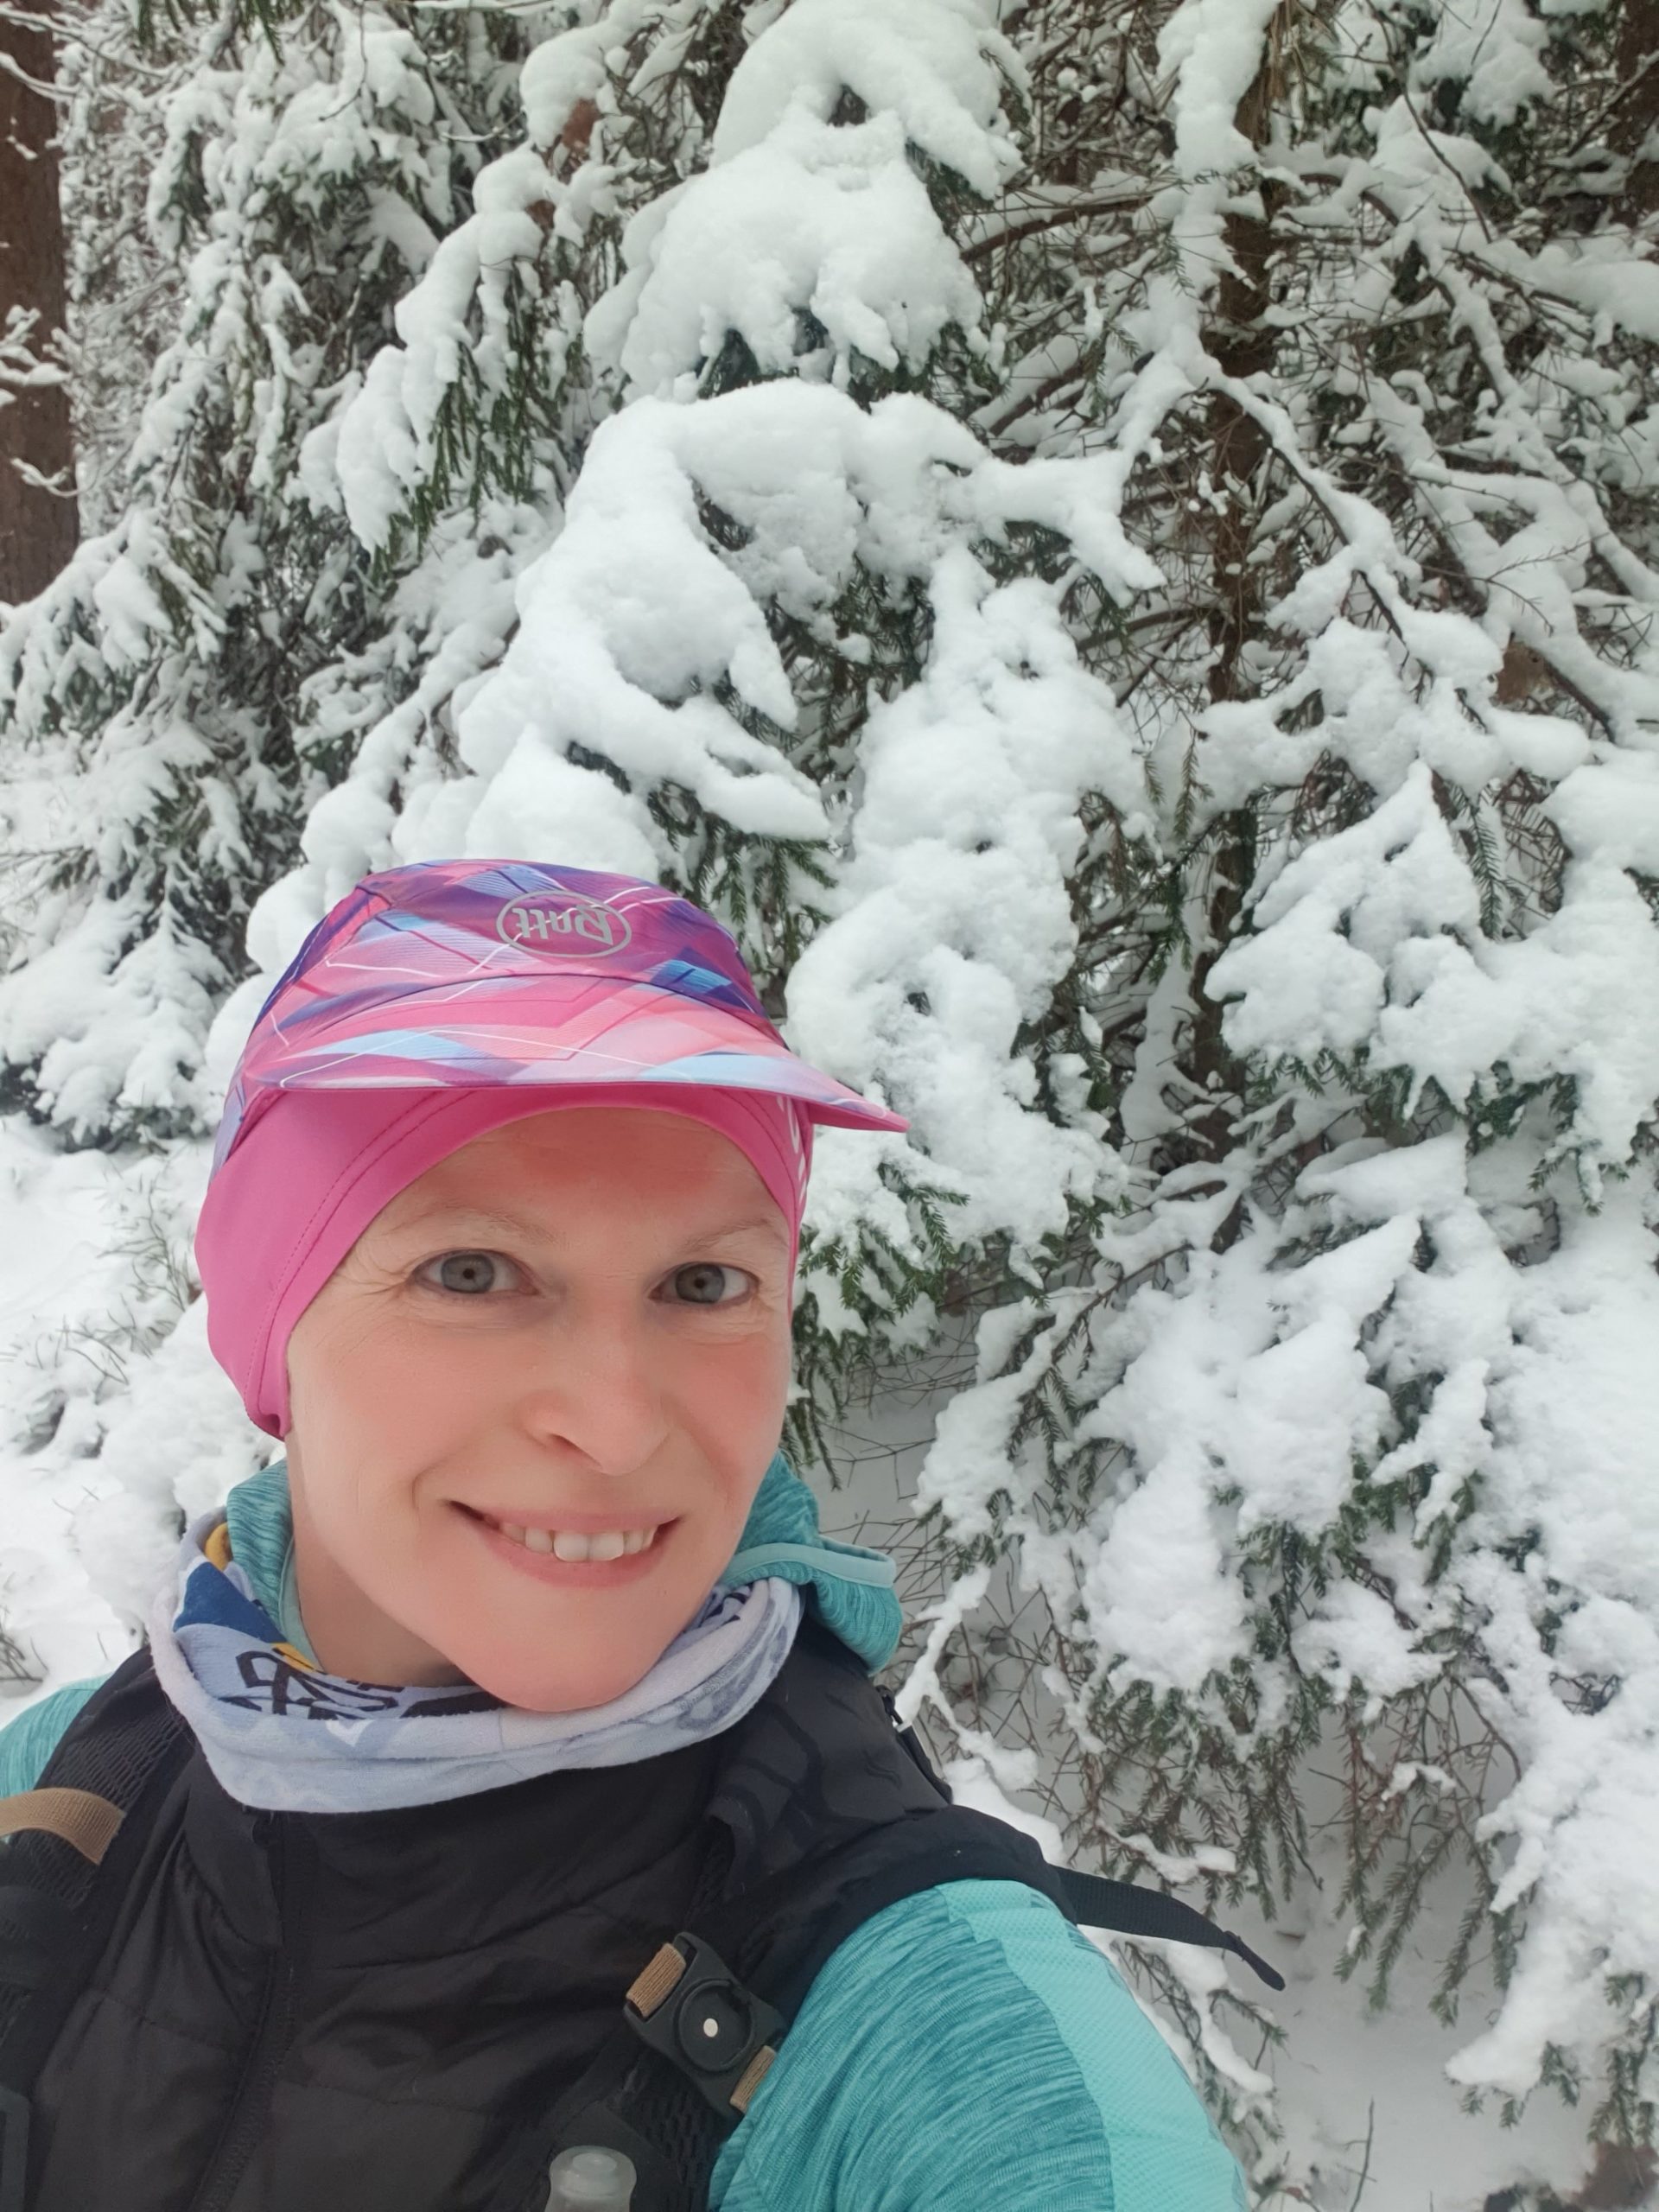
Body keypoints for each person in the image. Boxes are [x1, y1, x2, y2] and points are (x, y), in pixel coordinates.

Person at [0, 860, 1249, 2209]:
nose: (615, 1424)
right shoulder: (75, 1776)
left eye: (703, 1282)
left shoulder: (903, 2000)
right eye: (472, 1272)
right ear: (272, 1319)